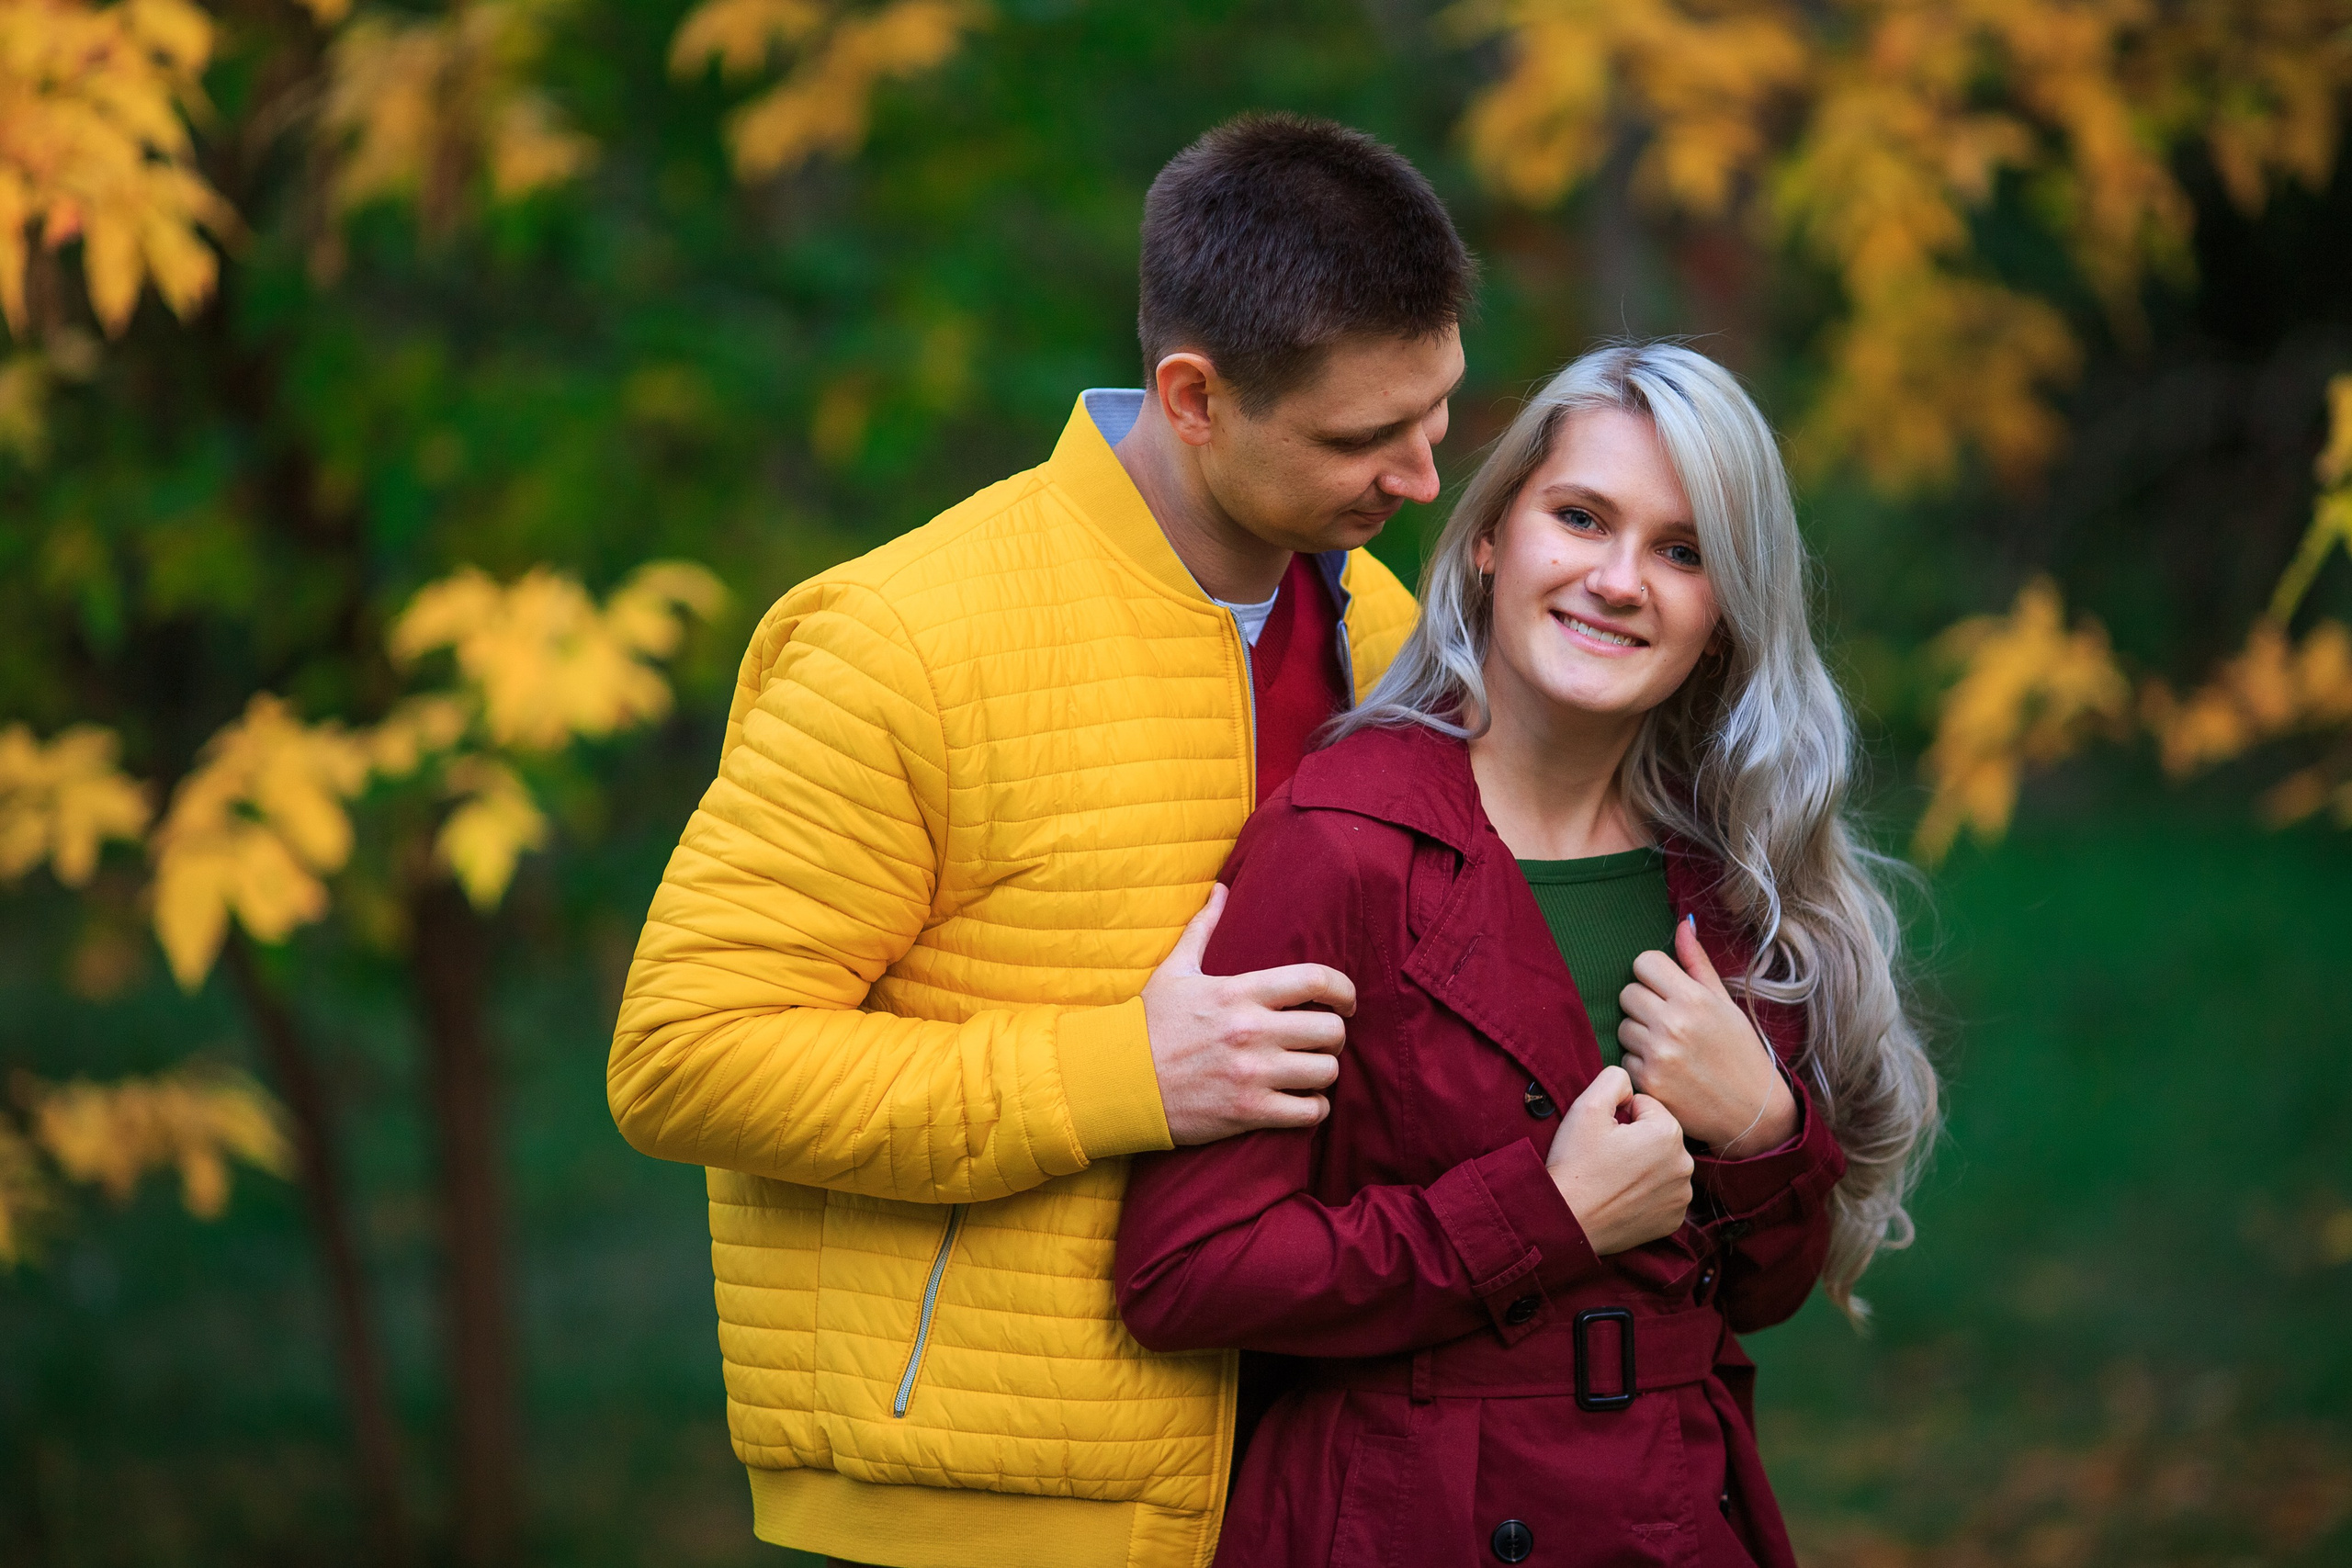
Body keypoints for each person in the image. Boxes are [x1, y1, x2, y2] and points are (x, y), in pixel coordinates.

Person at [606, 115, 1474, 1568]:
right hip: (980, 1505)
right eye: (1362, 438)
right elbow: (684, 1056)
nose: (1423, 479)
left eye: (1437, 413)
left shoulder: (1386, 632)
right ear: (1192, 397)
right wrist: (1121, 1073)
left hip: (1318, 1478)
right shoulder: (905, 642)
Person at [1114, 343, 1940, 1567]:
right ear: (1492, 536)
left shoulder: (1723, 879)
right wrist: (1539, 1215)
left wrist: (1765, 1127)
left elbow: (1756, 1292)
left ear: (1723, 617)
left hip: (1671, 1515)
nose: (1618, 581)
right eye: (1581, 517)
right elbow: (1190, 1274)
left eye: (1683, 550)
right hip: (1406, 1518)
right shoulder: (1341, 843)